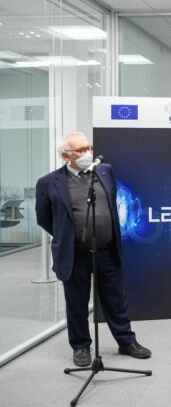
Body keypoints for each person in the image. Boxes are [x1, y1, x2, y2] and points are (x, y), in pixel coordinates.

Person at [35, 132, 151, 367]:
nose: (87, 152)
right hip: (74, 254)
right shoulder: (48, 182)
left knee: (115, 300)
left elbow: (111, 204)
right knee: (76, 302)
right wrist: (68, 235)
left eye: (88, 147)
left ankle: (126, 341)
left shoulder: (105, 171)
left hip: (107, 251)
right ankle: (81, 346)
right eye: (80, 150)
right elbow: (44, 218)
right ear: (65, 155)